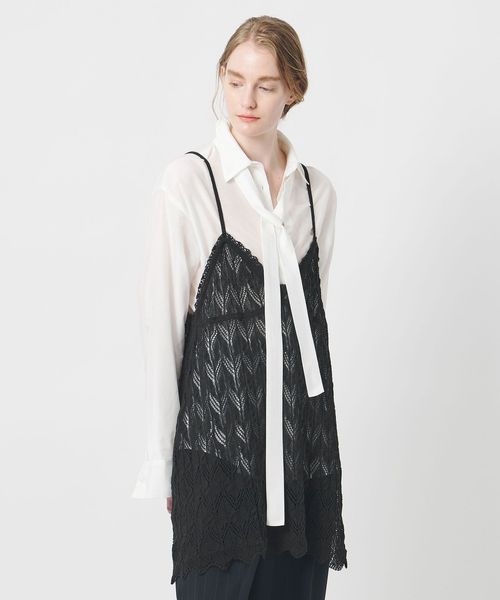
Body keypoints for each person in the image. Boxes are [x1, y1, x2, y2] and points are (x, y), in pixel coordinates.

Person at [131, 15, 348, 599]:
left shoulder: (316, 195)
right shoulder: (189, 183)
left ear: (293, 90)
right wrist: (162, 462)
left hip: (301, 459)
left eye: (265, 85)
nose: (246, 101)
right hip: (219, 460)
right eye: (234, 81)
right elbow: (161, 332)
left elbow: (308, 331)